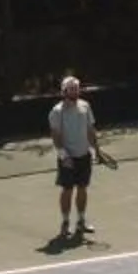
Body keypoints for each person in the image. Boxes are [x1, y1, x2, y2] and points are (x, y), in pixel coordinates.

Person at [47, 76, 98, 241]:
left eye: (77, 88)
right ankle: (65, 223)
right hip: (67, 158)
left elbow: (90, 129)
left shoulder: (85, 106)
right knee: (67, 190)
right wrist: (63, 155)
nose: (75, 91)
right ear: (64, 91)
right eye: (71, 89)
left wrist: (96, 149)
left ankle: (81, 221)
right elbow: (55, 135)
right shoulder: (57, 111)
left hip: (84, 155)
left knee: (82, 188)